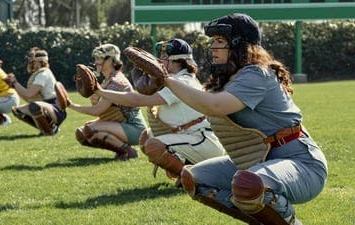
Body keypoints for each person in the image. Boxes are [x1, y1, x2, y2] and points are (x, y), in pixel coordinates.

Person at [159, 14, 327, 224]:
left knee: (248, 184)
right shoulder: (229, 78)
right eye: (213, 41)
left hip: (300, 162)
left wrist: (165, 80)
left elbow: (215, 105)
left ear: (240, 45)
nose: (213, 47)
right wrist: (155, 82)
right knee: (193, 179)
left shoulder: (256, 74)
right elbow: (204, 100)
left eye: (219, 41)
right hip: (257, 160)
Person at [94, 39, 225, 182]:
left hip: (202, 140)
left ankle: (193, 179)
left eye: (164, 57)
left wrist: (99, 91)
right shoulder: (175, 79)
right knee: (146, 137)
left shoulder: (180, 82)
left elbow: (138, 100)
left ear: (177, 60)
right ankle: (188, 167)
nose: (159, 61)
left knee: (153, 145)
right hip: (191, 136)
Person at [68, 44, 147, 160]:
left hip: (135, 128)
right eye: (95, 58)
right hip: (123, 125)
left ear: (111, 60)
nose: (96, 61)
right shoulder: (108, 80)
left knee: (90, 130)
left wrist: (70, 105)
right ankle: (121, 151)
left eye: (100, 57)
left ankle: (128, 151)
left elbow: (97, 111)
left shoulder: (116, 82)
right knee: (81, 134)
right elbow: (102, 110)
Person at [6, 47, 67, 135]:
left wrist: (15, 83)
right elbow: (28, 98)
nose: (31, 63)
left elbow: (29, 94)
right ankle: (47, 128)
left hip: (56, 108)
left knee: (34, 106)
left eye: (33, 61)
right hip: (49, 106)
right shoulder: (42, 73)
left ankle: (50, 130)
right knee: (17, 110)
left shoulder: (43, 74)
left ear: (38, 62)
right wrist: (14, 86)